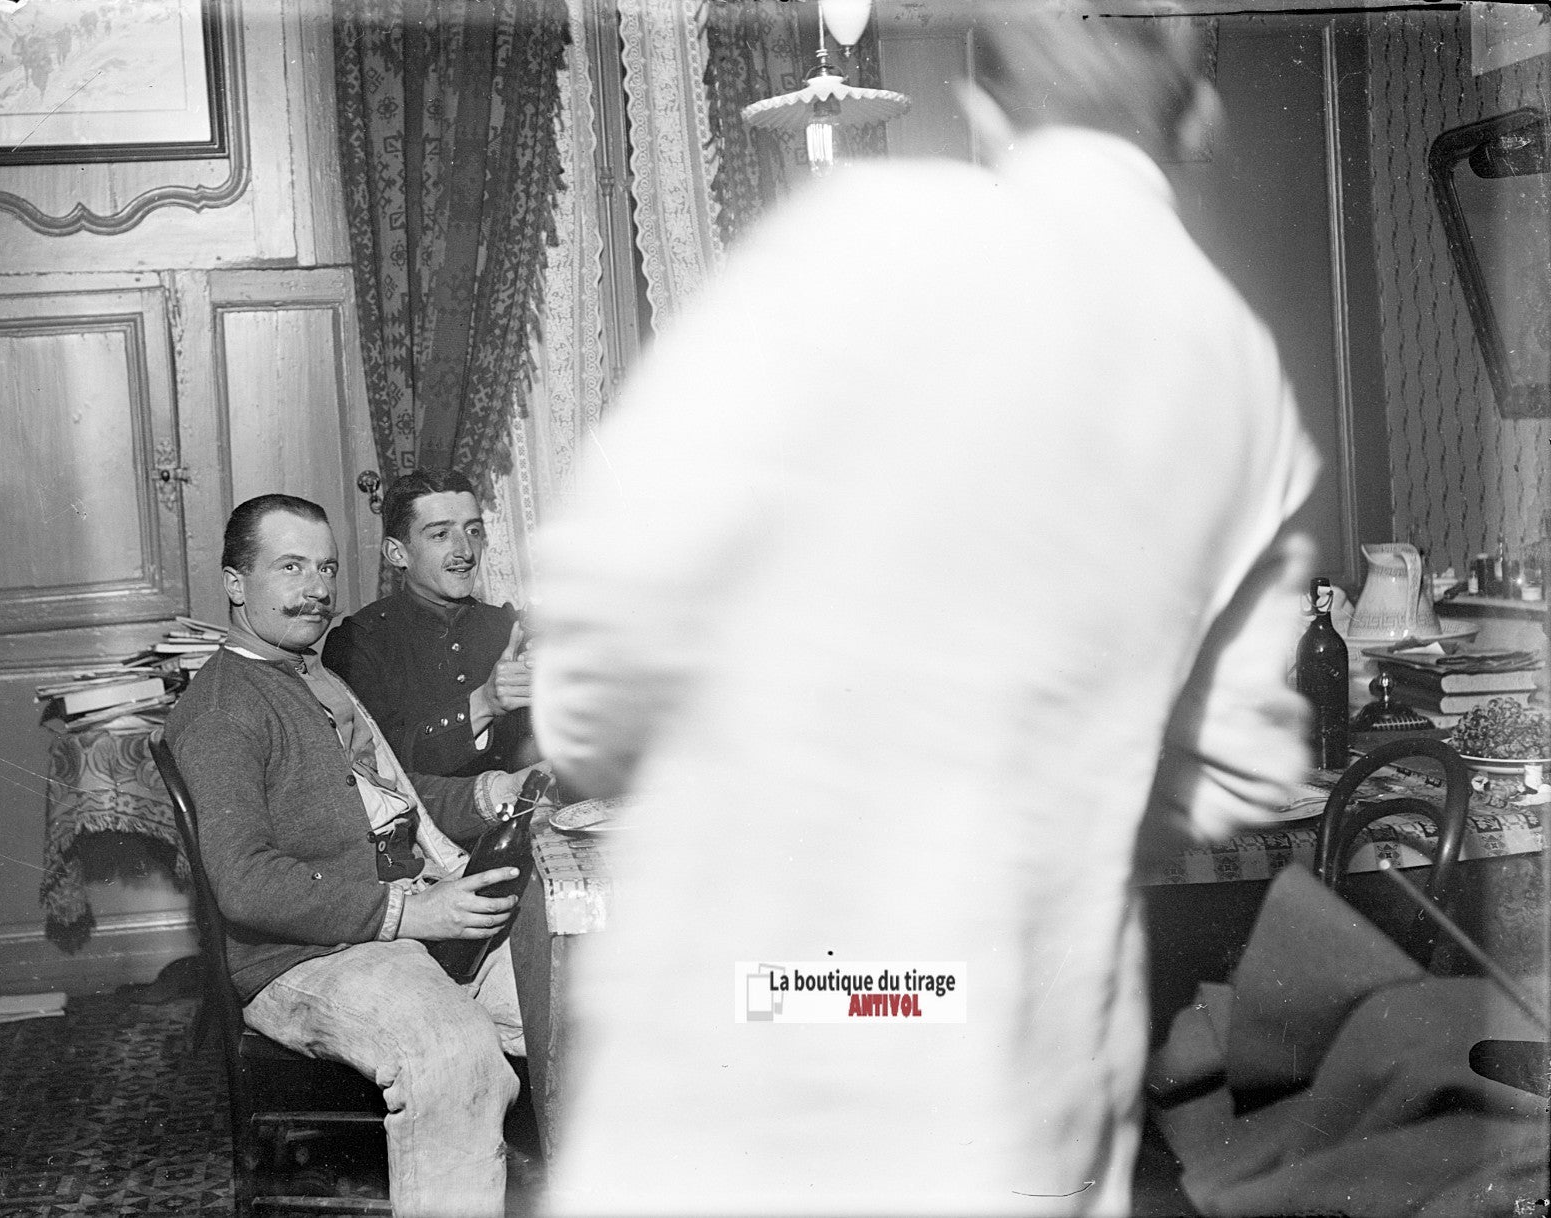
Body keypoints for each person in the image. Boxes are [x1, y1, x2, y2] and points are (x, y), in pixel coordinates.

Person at [528, 6, 1320, 1215]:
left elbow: (609, 615)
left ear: (986, 109)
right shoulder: (1242, 374)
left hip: (771, 1016)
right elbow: (1244, 777)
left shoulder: (872, 234)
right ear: (1196, 117)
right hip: (1017, 1052)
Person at [164, 493, 534, 1218]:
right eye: (290, 566)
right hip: (303, 958)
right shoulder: (222, 710)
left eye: (326, 568)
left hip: (388, 924)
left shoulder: (308, 674)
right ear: (236, 584)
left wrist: (490, 791)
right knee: (452, 1058)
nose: (317, 588)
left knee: (572, 1001)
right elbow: (244, 883)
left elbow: (384, 793)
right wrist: (408, 909)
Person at [323, 469, 536, 778]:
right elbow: (383, 768)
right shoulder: (358, 642)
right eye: (440, 534)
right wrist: (483, 704)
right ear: (397, 553)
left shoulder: (507, 626)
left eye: (473, 531)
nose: (465, 551)